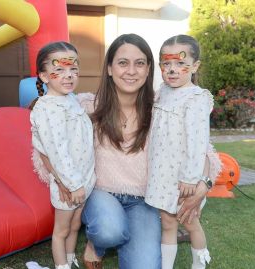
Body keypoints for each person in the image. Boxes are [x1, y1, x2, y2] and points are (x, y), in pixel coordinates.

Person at [46, 34, 220, 269]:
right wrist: (62, 180)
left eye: (139, 63)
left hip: (144, 201)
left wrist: (203, 184)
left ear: (149, 69)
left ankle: (126, 232)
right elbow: (47, 146)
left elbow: (203, 150)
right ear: (109, 68)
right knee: (109, 230)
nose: (131, 71)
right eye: (122, 63)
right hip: (101, 194)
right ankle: (98, 243)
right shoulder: (84, 107)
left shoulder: (164, 107)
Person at [145, 34, 215, 269]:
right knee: (167, 222)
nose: (172, 70)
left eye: (180, 64)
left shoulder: (196, 98)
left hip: (183, 177)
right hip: (162, 173)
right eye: (167, 64)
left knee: (190, 220)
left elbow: (198, 142)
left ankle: (199, 263)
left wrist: (190, 177)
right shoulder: (163, 91)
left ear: (195, 66)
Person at [30, 41, 96, 269]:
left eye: (73, 69)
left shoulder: (71, 101)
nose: (68, 76)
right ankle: (62, 266)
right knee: (62, 230)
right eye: (59, 70)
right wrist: (71, 184)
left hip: (83, 180)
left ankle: (70, 258)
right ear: (44, 76)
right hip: (68, 184)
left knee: (76, 224)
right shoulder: (47, 108)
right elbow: (57, 151)